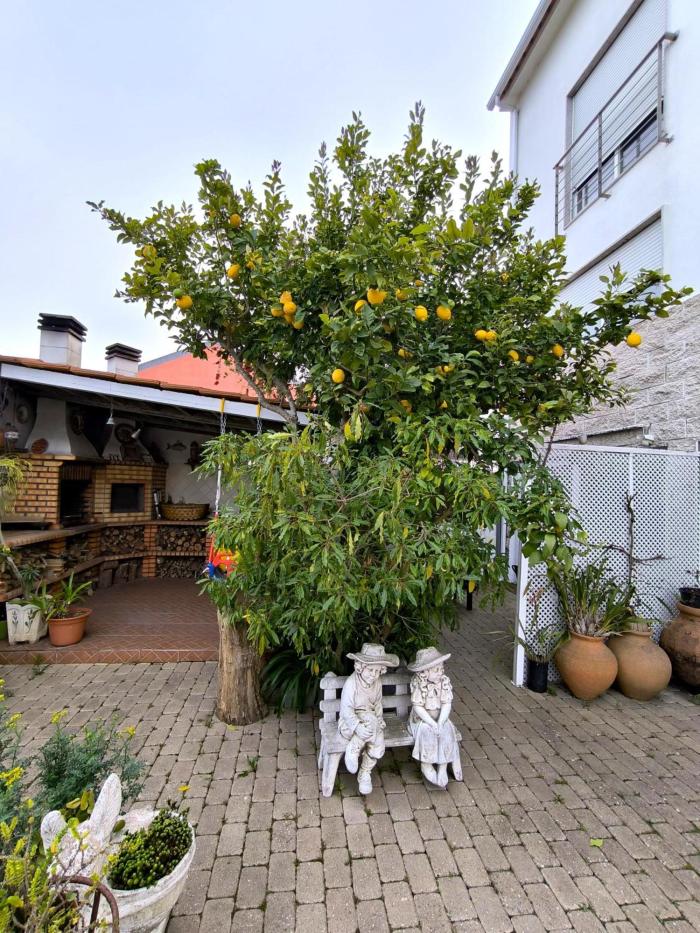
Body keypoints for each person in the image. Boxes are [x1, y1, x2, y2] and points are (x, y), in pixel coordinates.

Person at [338, 643, 399, 794]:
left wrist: (379, 718)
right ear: (360, 667)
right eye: (370, 670)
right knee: (372, 723)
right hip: (349, 725)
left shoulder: (376, 683)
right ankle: (354, 748)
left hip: (370, 724)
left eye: (377, 671)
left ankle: (365, 771)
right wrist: (357, 727)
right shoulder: (351, 683)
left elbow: (377, 703)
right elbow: (346, 710)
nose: (373, 674)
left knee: (378, 738)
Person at [408, 647, 460, 788]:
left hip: (440, 718)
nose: (440, 672)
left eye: (441, 668)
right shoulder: (419, 684)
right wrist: (432, 723)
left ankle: (442, 766)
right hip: (421, 720)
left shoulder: (444, 681)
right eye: (436, 670)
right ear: (424, 672)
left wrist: (441, 722)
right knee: (427, 733)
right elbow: (418, 708)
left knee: (447, 731)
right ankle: (426, 764)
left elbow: (447, 704)